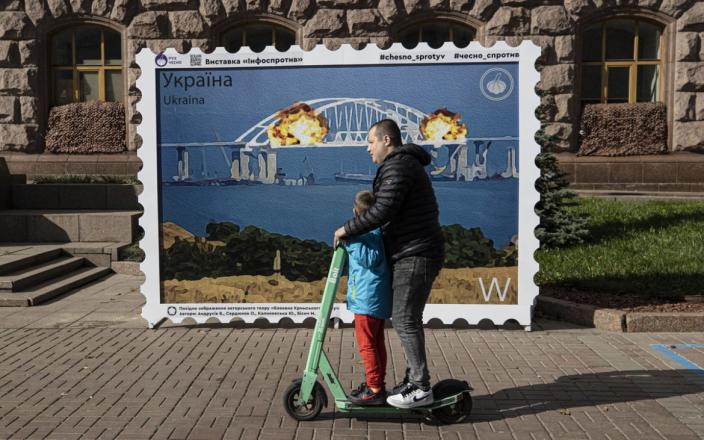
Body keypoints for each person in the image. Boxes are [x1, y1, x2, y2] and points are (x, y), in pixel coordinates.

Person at [334, 119, 444, 409]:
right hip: (413, 250)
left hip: (416, 252)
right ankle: (413, 381)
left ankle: (420, 387)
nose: (368, 148)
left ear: (386, 140)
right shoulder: (403, 165)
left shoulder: (398, 165)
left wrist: (347, 229)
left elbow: (382, 210)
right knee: (404, 318)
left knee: (406, 319)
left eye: (371, 142)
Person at [343, 190, 392, 406]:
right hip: (372, 297)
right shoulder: (377, 229)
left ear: (356, 212)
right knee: (376, 343)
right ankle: (377, 383)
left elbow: (370, 258)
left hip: (367, 299)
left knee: (367, 345)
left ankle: (375, 388)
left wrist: (350, 242)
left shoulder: (371, 233)